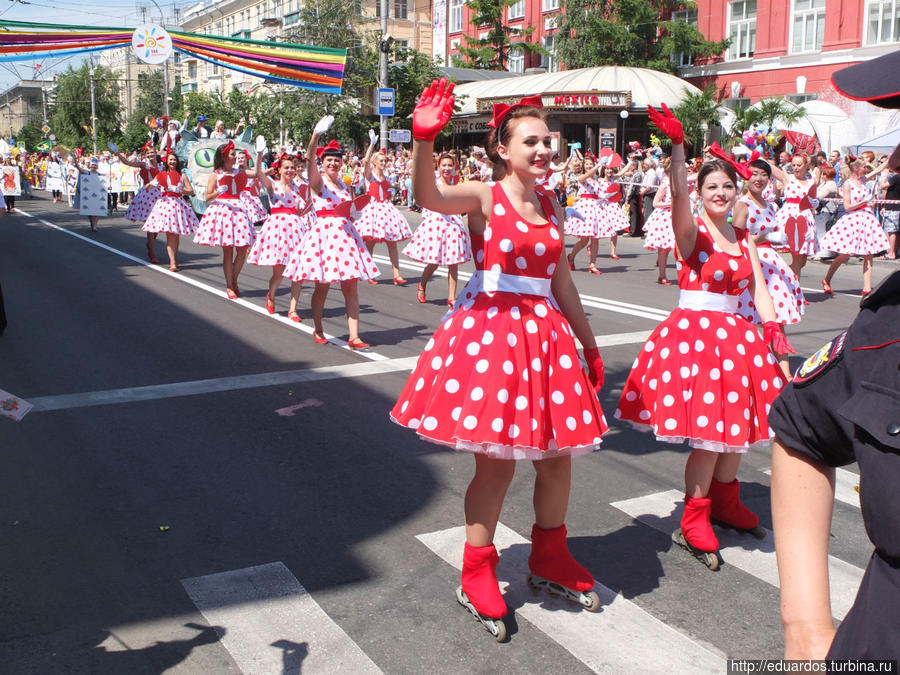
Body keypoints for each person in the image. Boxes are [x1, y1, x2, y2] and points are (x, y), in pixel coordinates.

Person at [391, 80, 608, 641]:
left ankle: (549, 557)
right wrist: (423, 142)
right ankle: (477, 570)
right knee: (498, 463)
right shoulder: (487, 196)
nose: (543, 151)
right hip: (495, 338)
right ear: (503, 150)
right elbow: (428, 199)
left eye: (548, 143)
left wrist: (589, 344)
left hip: (547, 340)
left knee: (557, 459)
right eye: (531, 142)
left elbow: (561, 282)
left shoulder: (551, 202)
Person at [615, 103, 794, 569]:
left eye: (727, 185)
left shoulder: (743, 234)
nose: (720, 192)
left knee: (738, 429)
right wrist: (678, 148)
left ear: (738, 192)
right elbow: (677, 194)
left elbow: (757, 285)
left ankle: (726, 500)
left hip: (738, 338)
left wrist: (772, 329)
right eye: (711, 186)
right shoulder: (691, 233)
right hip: (695, 338)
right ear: (699, 193)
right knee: (710, 435)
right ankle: (694, 515)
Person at [285, 124, 379, 347]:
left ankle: (354, 336)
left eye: (337, 160)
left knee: (351, 286)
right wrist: (315, 135)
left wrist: (355, 212)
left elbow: (351, 211)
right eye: (329, 160)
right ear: (323, 163)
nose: (334, 163)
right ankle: (318, 327)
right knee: (323, 286)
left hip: (346, 237)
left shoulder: (345, 186)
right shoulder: (318, 183)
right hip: (325, 237)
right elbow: (310, 162)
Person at [731, 157, 804, 378]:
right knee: (748, 322)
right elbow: (736, 240)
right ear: (745, 176)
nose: (759, 179)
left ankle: (785, 374)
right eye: (754, 173)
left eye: (764, 174)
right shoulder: (743, 204)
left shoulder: (770, 204)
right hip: (752, 263)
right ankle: (744, 369)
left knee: (777, 320)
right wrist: (767, 235)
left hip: (772, 265)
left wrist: (779, 237)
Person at [402, 153, 471, 308]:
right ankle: (422, 285)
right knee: (433, 262)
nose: (447, 168)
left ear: (454, 167)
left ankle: (451, 298)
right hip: (438, 225)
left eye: (450, 165)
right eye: (444, 165)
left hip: (453, 226)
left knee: (454, 263)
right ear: (438, 167)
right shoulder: (434, 183)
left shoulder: (457, 183)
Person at [193, 140, 261, 299]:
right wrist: (219, 192)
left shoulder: (240, 171)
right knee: (228, 251)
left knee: (243, 249)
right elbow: (208, 197)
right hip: (223, 211)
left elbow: (257, 173)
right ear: (224, 157)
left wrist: (259, 154)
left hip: (239, 211)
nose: (235, 157)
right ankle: (230, 286)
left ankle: (234, 279)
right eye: (232, 154)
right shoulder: (215, 174)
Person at [248, 153, 310, 321]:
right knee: (280, 272)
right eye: (287, 168)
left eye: (292, 167)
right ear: (279, 170)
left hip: (296, 229)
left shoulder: (298, 188)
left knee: (298, 271)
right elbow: (259, 174)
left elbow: (302, 210)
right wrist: (260, 154)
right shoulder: (273, 185)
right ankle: (272, 294)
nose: (290, 170)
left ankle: (293, 309)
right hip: (277, 229)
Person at [820, 158, 891, 296]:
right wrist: (865, 201)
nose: (866, 169)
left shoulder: (862, 180)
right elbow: (847, 206)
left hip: (866, 219)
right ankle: (826, 280)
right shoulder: (848, 184)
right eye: (864, 167)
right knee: (844, 254)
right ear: (856, 168)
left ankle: (867, 288)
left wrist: (890, 159)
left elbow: (877, 169)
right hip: (853, 219)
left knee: (868, 253)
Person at [355, 133, 413, 285]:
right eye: (381, 160)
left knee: (392, 242)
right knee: (370, 242)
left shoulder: (386, 177)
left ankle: (397, 274)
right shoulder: (370, 175)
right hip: (373, 209)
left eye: (385, 160)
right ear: (375, 162)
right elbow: (365, 161)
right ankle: (369, 273)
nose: (384, 162)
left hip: (386, 210)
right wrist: (372, 145)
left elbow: (387, 193)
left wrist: (390, 193)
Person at [563, 155, 623, 274]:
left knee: (595, 238)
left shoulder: (596, 180)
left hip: (596, 207)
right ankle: (571, 256)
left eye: (591, 163)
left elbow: (600, 193)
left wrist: (607, 196)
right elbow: (584, 178)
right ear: (583, 166)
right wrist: (598, 165)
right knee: (584, 239)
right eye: (587, 164)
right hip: (585, 208)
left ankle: (592, 264)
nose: (589, 166)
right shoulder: (582, 177)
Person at [141, 150, 198, 271]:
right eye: (170, 159)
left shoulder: (182, 175)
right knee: (170, 234)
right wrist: (151, 183)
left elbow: (191, 191)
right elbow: (147, 188)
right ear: (166, 161)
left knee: (175, 235)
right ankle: (172, 262)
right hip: (165, 205)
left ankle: (174, 259)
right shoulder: (161, 174)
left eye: (174, 160)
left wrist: (180, 190)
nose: (172, 162)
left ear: (177, 162)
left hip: (178, 205)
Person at [773, 154, 819, 278]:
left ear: (806, 166)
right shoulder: (788, 178)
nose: (796, 168)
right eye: (793, 165)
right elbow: (770, 168)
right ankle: (795, 294)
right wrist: (752, 154)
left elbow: (812, 202)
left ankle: (780, 278)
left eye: (799, 165)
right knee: (798, 260)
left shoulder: (811, 182)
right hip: (791, 219)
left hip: (806, 219)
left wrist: (814, 204)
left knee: (802, 261)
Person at [120, 148, 162, 263]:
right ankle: (153, 253)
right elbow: (128, 163)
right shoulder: (144, 165)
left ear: (156, 153)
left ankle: (150, 243)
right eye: (148, 153)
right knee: (150, 224)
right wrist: (117, 153)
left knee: (158, 225)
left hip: (161, 195)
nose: (150, 154)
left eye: (152, 152)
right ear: (146, 155)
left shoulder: (162, 165)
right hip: (148, 195)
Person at [642, 157, 675, 285]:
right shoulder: (665, 184)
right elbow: (656, 203)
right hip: (665, 216)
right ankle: (662, 275)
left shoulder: (678, 183)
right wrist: (669, 203)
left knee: (679, 247)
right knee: (664, 248)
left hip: (677, 215)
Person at [878, 162, 899, 259]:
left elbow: (882, 186)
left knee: (892, 231)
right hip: (892, 206)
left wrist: (886, 174)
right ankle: (895, 251)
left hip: (893, 207)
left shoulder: (895, 178)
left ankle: (891, 253)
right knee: (895, 231)